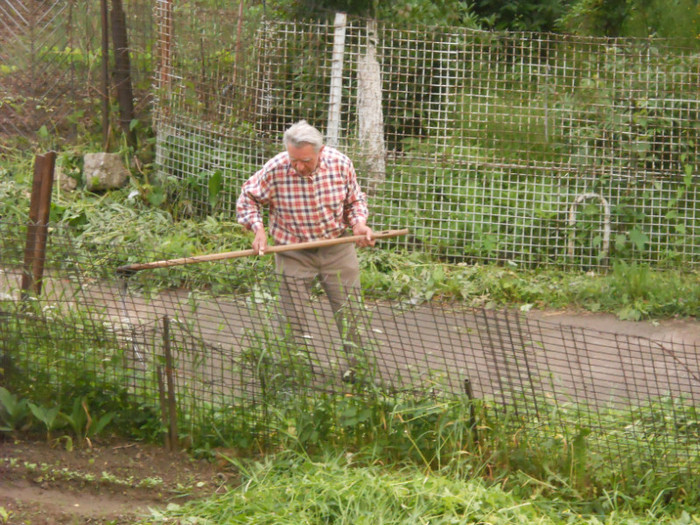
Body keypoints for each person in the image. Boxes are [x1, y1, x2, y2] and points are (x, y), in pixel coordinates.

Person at [236, 120, 374, 382]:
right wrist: (258, 229)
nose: (298, 166)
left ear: (320, 152)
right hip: (293, 250)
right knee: (293, 315)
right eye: (294, 159)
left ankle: (359, 370)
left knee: (351, 310)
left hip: (336, 246)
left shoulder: (340, 164)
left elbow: (354, 200)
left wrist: (358, 224)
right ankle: (295, 371)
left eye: (305, 161)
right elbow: (248, 198)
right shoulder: (276, 168)